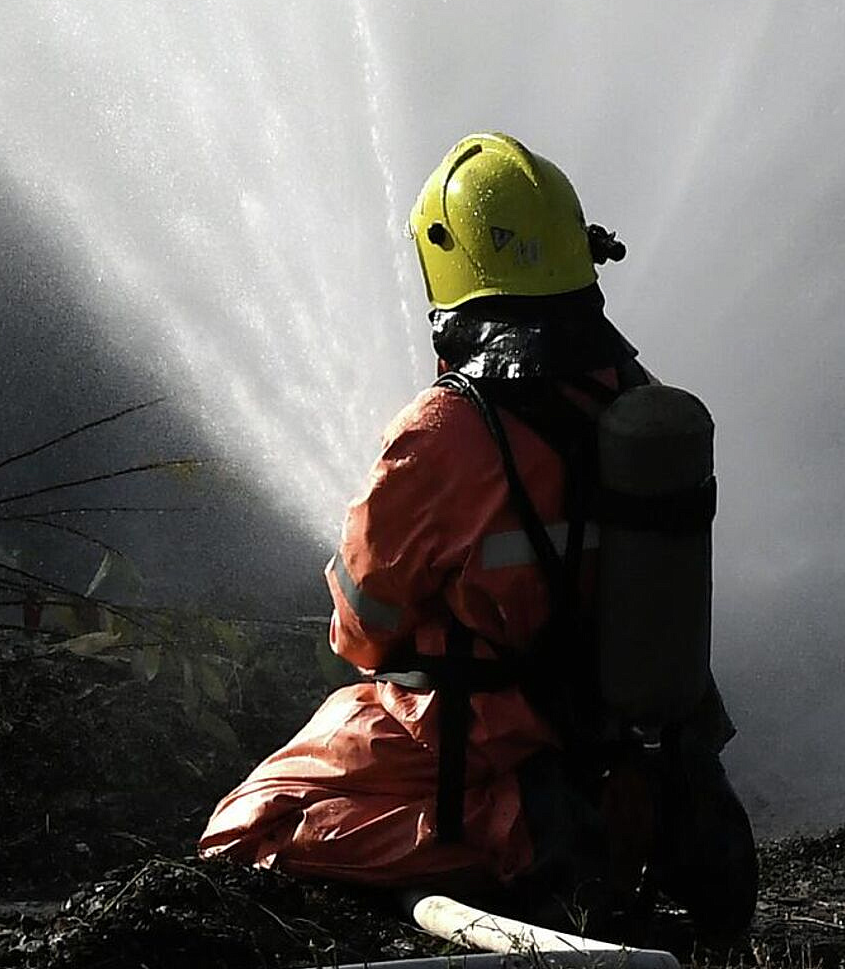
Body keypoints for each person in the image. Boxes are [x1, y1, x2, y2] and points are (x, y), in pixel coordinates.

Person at [199, 132, 755, 936]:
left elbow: (362, 630)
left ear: (451, 264)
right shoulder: (636, 400)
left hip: (485, 739)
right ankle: (638, 814)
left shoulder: (441, 433)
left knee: (248, 828)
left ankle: (518, 832)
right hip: (619, 736)